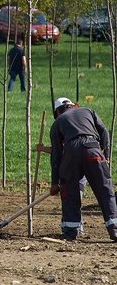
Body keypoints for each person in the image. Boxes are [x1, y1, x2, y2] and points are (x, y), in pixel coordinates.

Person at [48, 97, 117, 241]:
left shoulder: (57, 123)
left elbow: (56, 155)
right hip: (93, 149)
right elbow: (104, 131)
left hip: (71, 154)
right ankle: (114, 229)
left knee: (69, 190)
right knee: (105, 190)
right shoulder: (88, 111)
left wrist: (55, 182)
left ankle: (70, 232)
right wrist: (106, 154)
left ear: (58, 112)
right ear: (73, 106)